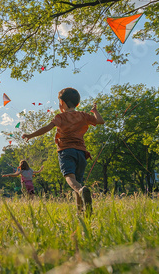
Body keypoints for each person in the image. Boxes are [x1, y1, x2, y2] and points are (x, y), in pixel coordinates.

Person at [22, 87, 104, 215]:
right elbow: (100, 121)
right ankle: (81, 212)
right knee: (77, 182)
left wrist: (30, 135)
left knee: (69, 178)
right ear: (77, 104)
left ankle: (82, 191)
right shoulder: (83, 115)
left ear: (62, 103)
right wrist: (95, 111)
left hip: (66, 151)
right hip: (81, 153)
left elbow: (46, 128)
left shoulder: (60, 117)